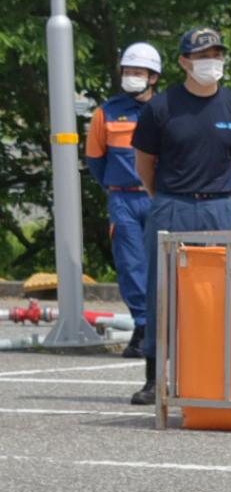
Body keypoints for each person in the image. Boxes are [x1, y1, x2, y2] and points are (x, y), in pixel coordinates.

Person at [130, 28, 231, 407]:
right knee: (162, 291)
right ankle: (155, 377)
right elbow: (145, 165)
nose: (211, 61)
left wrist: (223, 207)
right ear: (184, 61)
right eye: (203, 55)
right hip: (171, 204)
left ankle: (215, 374)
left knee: (218, 294)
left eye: (216, 53)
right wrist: (167, 200)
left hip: (219, 207)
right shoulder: (162, 107)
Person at [84, 42, 161, 360]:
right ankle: (142, 329)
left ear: (153, 77)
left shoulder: (165, 110)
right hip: (124, 200)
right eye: (127, 72)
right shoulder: (107, 112)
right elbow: (95, 158)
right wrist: (115, 186)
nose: (131, 77)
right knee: (131, 267)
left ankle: (167, 329)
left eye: (138, 72)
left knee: (164, 265)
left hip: (159, 199)